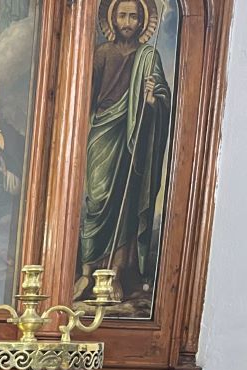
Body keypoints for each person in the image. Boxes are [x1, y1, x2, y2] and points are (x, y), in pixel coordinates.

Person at [75, 0, 171, 305]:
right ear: (112, 19)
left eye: (133, 16)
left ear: (142, 21)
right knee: (97, 199)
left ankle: (114, 273)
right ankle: (87, 271)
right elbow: (84, 98)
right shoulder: (102, 53)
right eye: (122, 15)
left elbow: (163, 99)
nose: (127, 22)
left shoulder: (149, 56)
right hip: (102, 132)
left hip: (132, 137)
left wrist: (153, 100)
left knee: (125, 202)